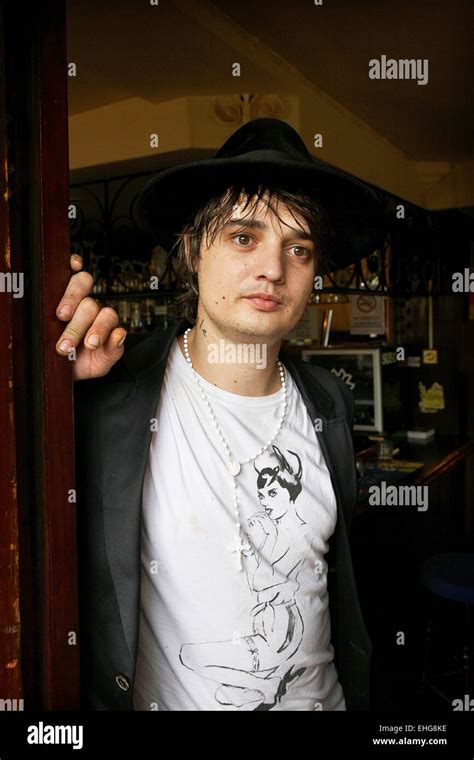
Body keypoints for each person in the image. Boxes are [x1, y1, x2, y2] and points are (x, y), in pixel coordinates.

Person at [56, 118, 385, 711]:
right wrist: (52, 387)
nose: (273, 268)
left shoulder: (327, 402)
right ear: (191, 249)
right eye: (242, 237)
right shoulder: (114, 395)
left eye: (299, 248)